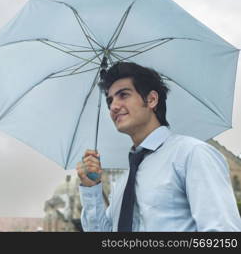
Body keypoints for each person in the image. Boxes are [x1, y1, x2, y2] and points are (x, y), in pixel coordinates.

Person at [76, 62, 241, 231]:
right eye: (110, 101)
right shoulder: (123, 182)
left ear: (152, 99)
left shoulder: (191, 154)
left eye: (123, 95)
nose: (114, 107)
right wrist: (91, 187)